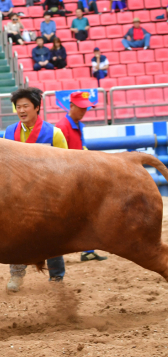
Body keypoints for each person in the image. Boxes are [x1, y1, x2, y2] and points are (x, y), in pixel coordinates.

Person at [4, 87, 68, 291]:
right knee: (15, 235)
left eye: (25, 106)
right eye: (18, 106)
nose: (21, 110)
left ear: (37, 107)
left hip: (47, 194)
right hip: (18, 194)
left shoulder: (54, 133)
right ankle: (16, 275)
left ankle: (57, 277)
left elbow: (67, 165)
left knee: (52, 235)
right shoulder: (8, 132)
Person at [54, 91, 108, 262]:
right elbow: (60, 155)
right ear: (71, 106)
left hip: (77, 176)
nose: (84, 111)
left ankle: (88, 249)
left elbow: (78, 150)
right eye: (81, 108)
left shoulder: (75, 125)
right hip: (69, 179)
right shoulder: (63, 127)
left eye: (86, 108)